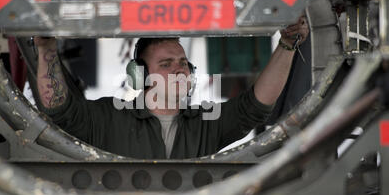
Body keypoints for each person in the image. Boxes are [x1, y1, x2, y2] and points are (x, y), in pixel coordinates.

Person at [35, 17, 309, 159]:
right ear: (139, 75)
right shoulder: (108, 117)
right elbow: (61, 110)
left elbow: (255, 108)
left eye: (182, 62)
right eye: (166, 64)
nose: (180, 69)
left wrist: (286, 45)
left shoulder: (206, 121)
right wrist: (46, 47)